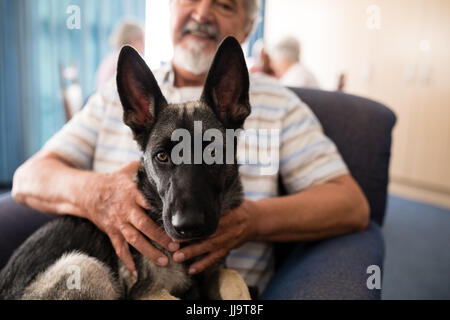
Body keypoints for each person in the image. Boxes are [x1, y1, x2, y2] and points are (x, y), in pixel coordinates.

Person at [2, 0, 383, 299]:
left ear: (249, 27)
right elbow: (26, 179)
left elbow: (351, 205)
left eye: (224, 4)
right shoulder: (112, 99)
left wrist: (251, 220)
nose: (202, 12)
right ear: (169, 11)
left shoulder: (281, 105)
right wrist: (96, 194)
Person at [95, 20, 145, 89]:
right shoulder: (127, 59)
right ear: (131, 40)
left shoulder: (112, 57)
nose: (144, 44)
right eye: (141, 39)